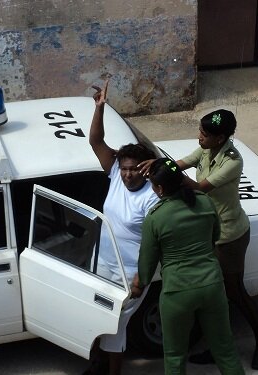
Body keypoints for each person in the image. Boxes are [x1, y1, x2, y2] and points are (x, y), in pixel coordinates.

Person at [139, 108, 258, 370]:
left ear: (220, 138)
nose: (199, 137)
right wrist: (157, 166)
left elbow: (199, 187)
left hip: (229, 234)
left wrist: (165, 177)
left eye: (204, 134)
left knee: (233, 291)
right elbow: (181, 163)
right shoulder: (206, 149)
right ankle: (218, 343)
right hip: (212, 227)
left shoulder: (232, 161)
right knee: (214, 295)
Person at [133, 158, 245, 375]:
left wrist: (139, 285)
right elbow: (216, 236)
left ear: (161, 188)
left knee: (175, 356)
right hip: (212, 285)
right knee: (225, 350)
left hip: (178, 291)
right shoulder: (205, 202)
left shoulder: (155, 218)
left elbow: (146, 265)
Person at [85, 80, 159, 375]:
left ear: (144, 168)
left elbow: (155, 243)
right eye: (124, 168)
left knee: (115, 327)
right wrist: (99, 108)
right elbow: (96, 141)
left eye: (133, 169)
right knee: (97, 319)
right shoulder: (115, 173)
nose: (127, 174)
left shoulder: (152, 197)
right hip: (103, 262)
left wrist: (141, 279)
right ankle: (97, 366)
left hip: (131, 273)